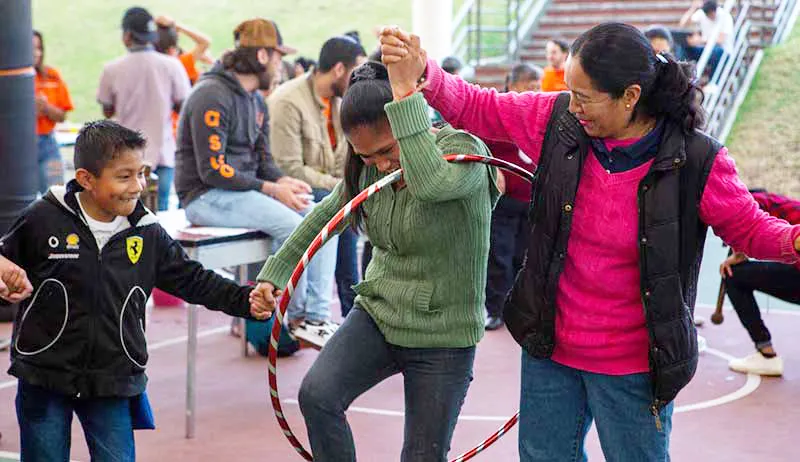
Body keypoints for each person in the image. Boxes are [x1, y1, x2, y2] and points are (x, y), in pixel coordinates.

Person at [379, 22, 800, 460]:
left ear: (631, 96)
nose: (572, 106)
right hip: (550, 347)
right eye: (570, 93)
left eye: (584, 98)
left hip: (636, 363)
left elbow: (749, 228)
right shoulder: (558, 121)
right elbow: (480, 106)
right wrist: (423, 70)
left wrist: (794, 240)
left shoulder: (696, 159)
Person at [251, 61, 499, 461]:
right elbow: (323, 218)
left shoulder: (464, 153)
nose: (380, 165)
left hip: (444, 337)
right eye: (367, 156)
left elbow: (432, 184)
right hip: (379, 316)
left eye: (387, 150)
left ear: (409, 119)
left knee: (421, 456)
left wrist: (408, 110)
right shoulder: (367, 174)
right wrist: (275, 275)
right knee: (317, 395)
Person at [0, 120, 271, 461]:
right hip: (43, 377)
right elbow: (5, 262)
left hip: (114, 378)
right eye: (124, 176)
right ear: (86, 179)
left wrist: (244, 300)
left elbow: (194, 280)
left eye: (141, 173)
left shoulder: (147, 232)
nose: (137, 186)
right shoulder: (42, 218)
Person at [175, 18, 338, 347]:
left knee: (324, 219)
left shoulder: (256, 101)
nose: (281, 65)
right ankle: (296, 318)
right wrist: (271, 188)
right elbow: (213, 171)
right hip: (205, 196)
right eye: (278, 56)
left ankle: (316, 318)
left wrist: (284, 181)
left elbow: (263, 161)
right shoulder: (211, 94)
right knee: (295, 227)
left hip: (240, 192)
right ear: (263, 56)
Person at [268, 35, 367, 318]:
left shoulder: (340, 102)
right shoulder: (287, 101)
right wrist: (341, 186)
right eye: (356, 71)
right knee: (342, 208)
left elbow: (346, 160)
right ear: (339, 69)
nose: (359, 78)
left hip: (325, 189)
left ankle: (347, 312)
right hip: (294, 190)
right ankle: (324, 313)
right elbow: (289, 168)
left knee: (349, 207)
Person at [97, 6, 191, 211]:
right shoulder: (172, 65)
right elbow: (183, 105)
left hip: (126, 157)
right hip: (163, 154)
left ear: (127, 36)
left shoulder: (112, 69)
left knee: (127, 214)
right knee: (162, 214)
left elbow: (107, 110)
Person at [484, 63, 542, 331]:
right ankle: (495, 309)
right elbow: (477, 142)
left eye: (538, 87)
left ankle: (520, 311)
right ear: (513, 85)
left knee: (526, 257)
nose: (535, 91)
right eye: (530, 87)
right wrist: (491, 168)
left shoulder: (541, 110)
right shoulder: (497, 109)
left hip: (532, 198)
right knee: (499, 255)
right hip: (504, 200)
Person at [720, 190, 800, 376]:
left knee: (733, 276)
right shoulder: (777, 203)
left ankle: (766, 356)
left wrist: (738, 253)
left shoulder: (752, 202)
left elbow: (750, 229)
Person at [33, 30, 74, 194]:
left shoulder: (52, 76)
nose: (36, 52)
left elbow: (63, 115)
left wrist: (46, 108)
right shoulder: (9, 77)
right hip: (18, 145)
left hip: (47, 143)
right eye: (30, 48)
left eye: (38, 48)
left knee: (56, 195)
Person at [153, 15, 213, 85]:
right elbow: (205, 42)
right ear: (171, 50)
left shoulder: (154, 64)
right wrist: (180, 27)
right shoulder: (182, 63)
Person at [679, 0, 733, 75]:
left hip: (723, 51)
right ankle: (683, 77)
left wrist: (700, 40)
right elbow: (683, 24)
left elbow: (720, 40)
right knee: (683, 47)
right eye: (708, 15)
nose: (710, 16)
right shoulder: (702, 13)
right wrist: (693, 8)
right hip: (705, 49)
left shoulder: (725, 16)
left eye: (712, 14)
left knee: (717, 51)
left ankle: (713, 84)